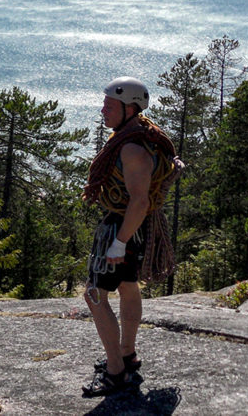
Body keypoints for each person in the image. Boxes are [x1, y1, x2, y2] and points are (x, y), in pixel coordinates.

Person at [80, 76, 180, 398]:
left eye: (110, 106)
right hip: (132, 227)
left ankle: (115, 372)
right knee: (127, 286)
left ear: (130, 108)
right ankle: (127, 353)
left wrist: (119, 243)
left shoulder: (132, 148)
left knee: (94, 295)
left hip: (123, 227)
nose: (103, 111)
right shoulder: (141, 134)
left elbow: (140, 201)